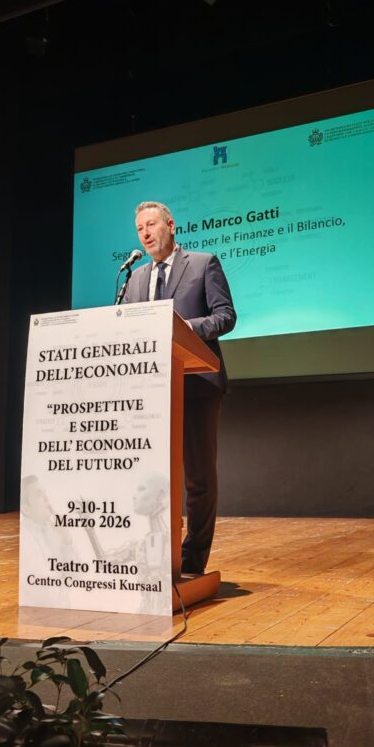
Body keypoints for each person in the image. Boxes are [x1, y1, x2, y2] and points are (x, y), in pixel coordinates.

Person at [123, 200, 236, 574]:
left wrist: (186, 328)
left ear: (170, 225)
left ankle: (192, 558)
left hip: (197, 385)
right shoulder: (136, 279)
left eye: (151, 225)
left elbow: (225, 316)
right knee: (152, 477)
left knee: (198, 478)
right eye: (140, 229)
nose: (145, 233)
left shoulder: (203, 264)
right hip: (150, 390)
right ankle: (155, 554)